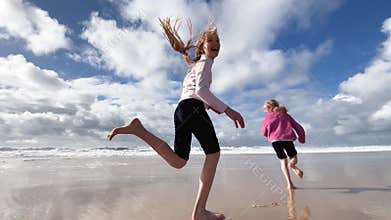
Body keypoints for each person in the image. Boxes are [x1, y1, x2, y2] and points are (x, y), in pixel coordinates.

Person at [108, 18, 245, 220]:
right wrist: (227, 110)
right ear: (203, 46)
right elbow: (200, 90)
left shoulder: (196, 65)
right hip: (193, 109)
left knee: (179, 161)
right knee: (213, 153)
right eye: (211, 41)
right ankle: (199, 212)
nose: (216, 44)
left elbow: (196, 90)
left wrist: (210, 106)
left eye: (218, 41)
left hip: (182, 109)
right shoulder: (205, 63)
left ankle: (139, 130)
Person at [261, 99, 305, 191]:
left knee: (283, 161)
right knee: (293, 158)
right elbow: (298, 126)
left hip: (275, 141)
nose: (264, 111)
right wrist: (301, 137)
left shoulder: (267, 118)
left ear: (269, 108)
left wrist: (269, 134)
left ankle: (289, 184)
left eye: (265, 109)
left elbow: (264, 132)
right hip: (288, 139)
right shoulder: (286, 115)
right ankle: (292, 165)